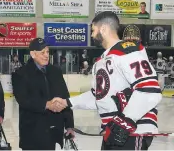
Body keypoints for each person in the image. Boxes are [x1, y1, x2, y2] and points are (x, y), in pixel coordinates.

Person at [53, 11, 162, 150]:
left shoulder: (127, 51)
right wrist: (67, 102)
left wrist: (125, 122)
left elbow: (149, 89)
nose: (92, 35)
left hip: (131, 132)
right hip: (112, 132)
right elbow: (99, 96)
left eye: (93, 30)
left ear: (103, 29)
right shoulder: (102, 60)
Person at [11, 38, 75, 150]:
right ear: (33, 54)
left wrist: (69, 125)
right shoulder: (20, 74)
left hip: (52, 130)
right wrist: (46, 104)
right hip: (32, 132)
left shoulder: (55, 72)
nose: (46, 55)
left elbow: (65, 97)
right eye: (42, 53)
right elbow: (23, 100)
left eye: (48, 52)